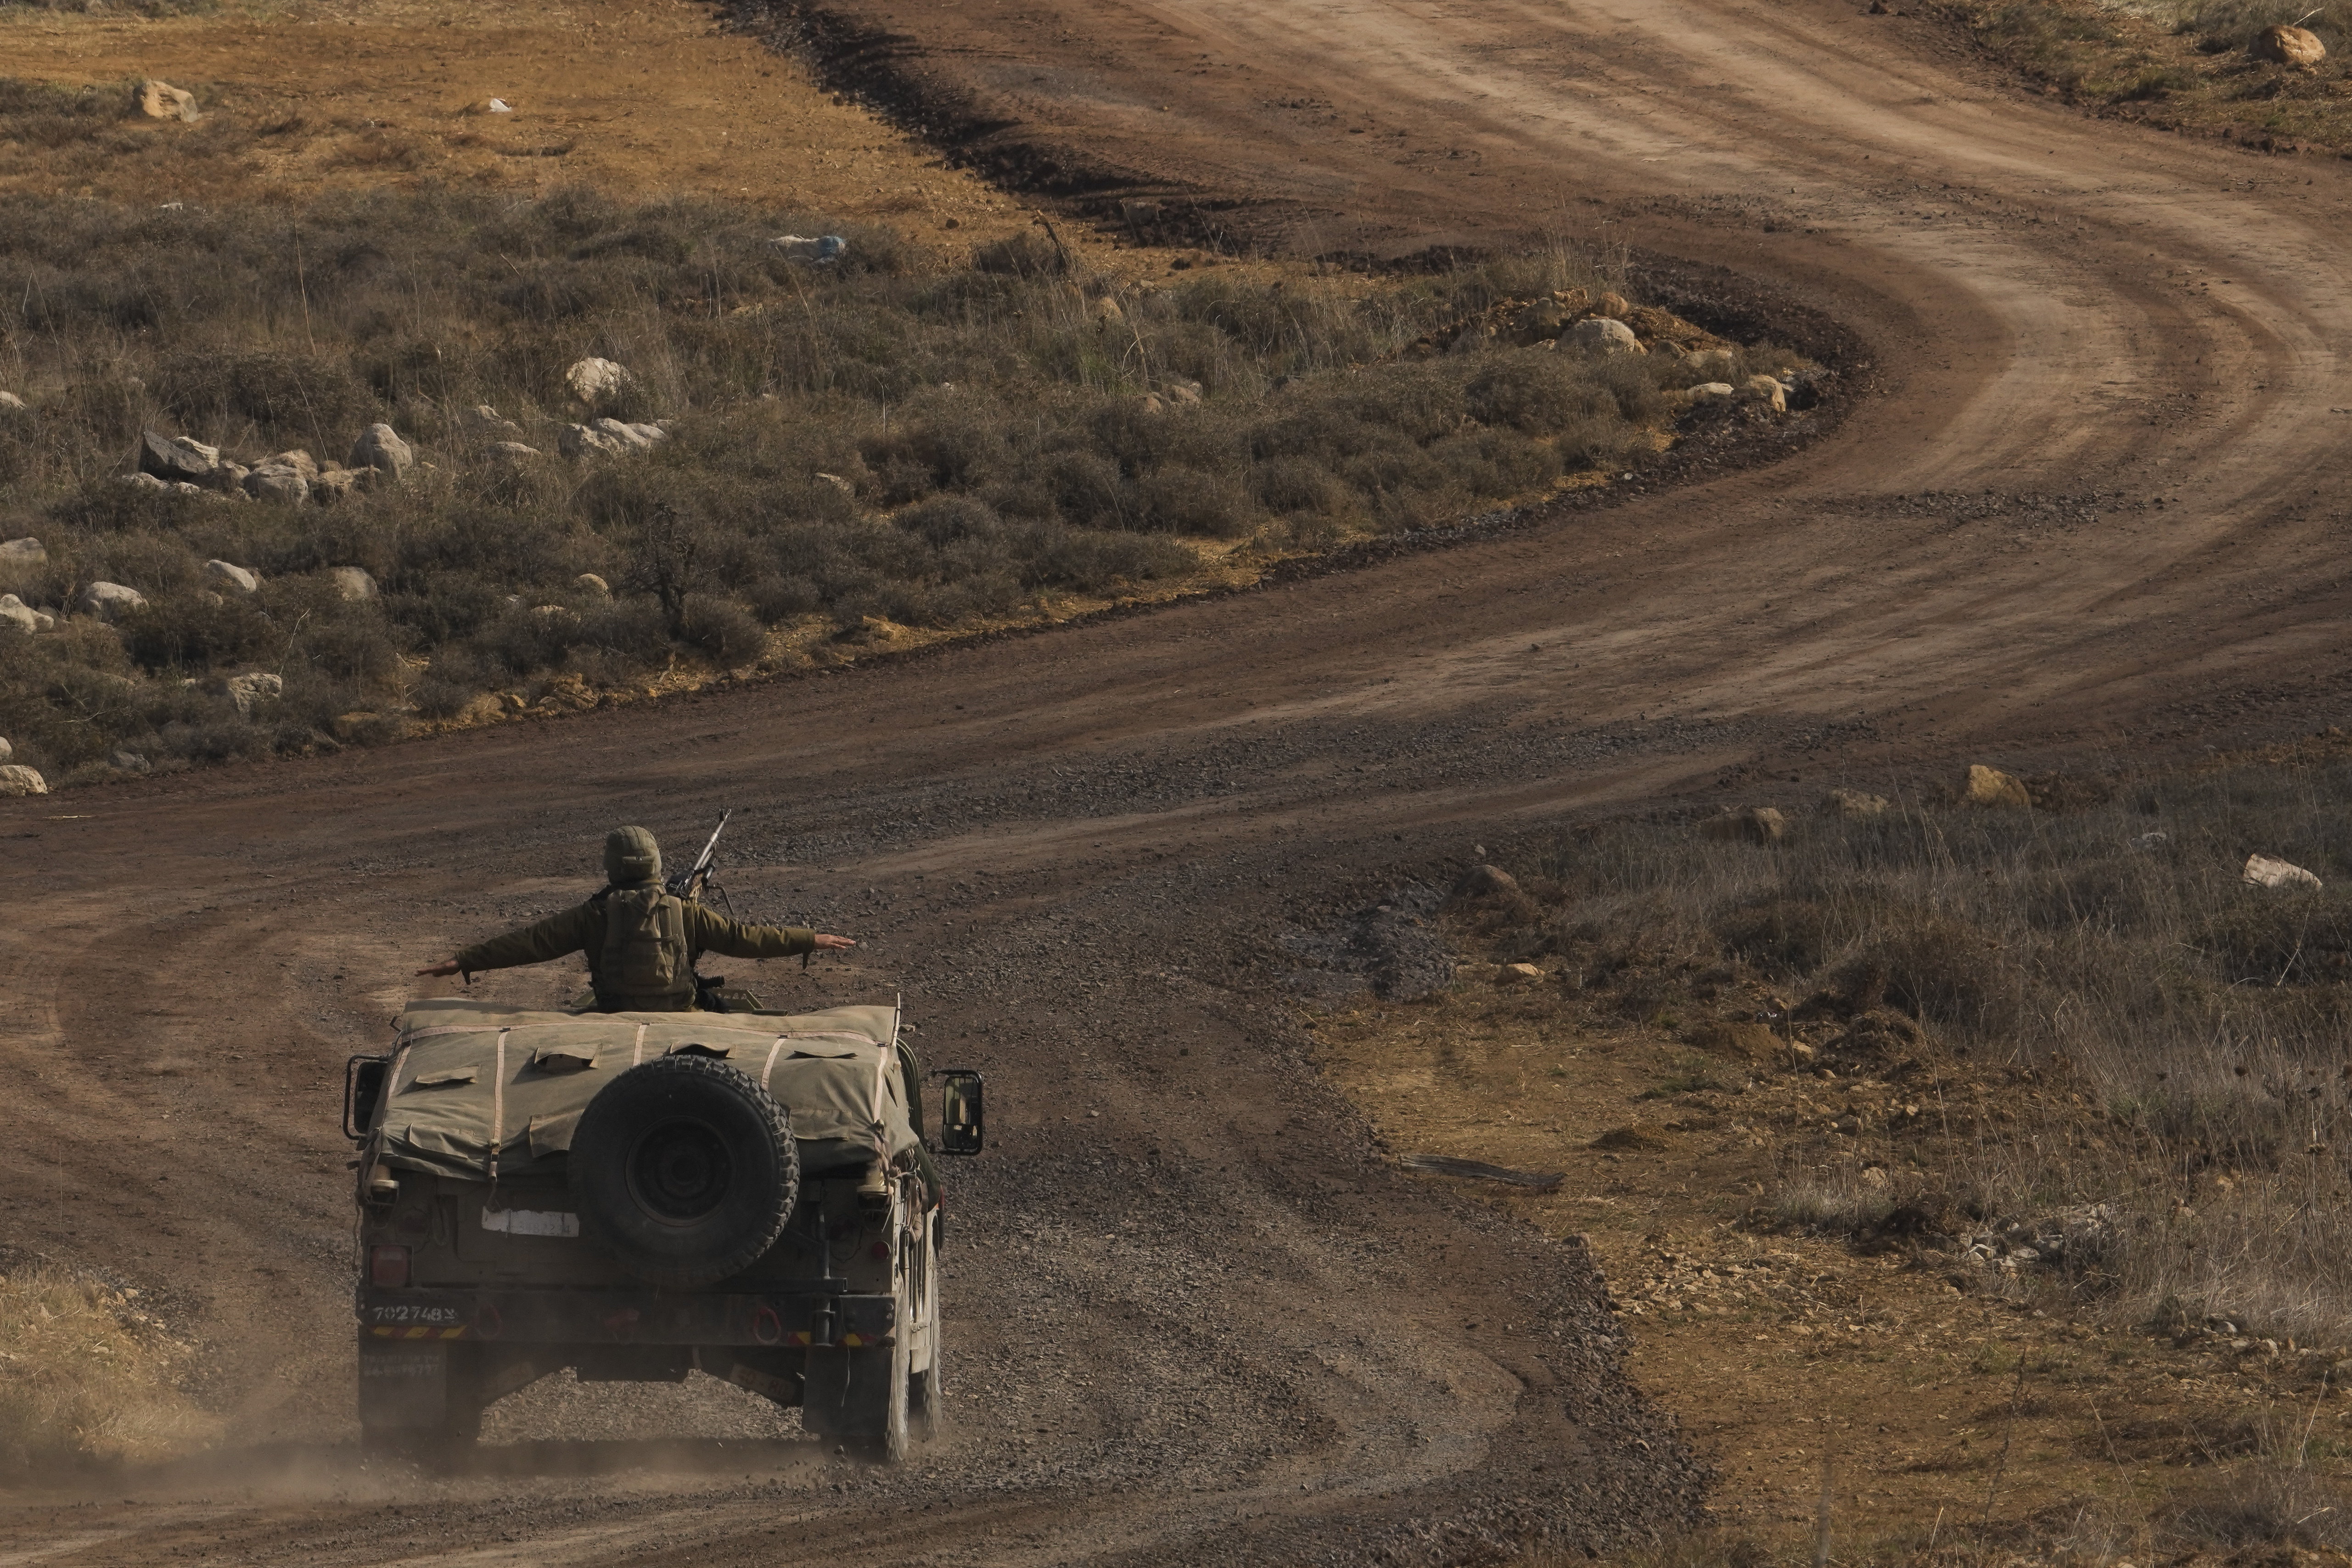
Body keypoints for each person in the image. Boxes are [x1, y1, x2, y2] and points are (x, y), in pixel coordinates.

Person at [416, 826, 855, 1012]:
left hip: (612, 1013)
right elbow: (745, 939)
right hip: (682, 1012)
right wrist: (809, 938)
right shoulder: (685, 910)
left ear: (613, 866)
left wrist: (465, 960)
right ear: (655, 864)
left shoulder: (593, 915)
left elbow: (531, 942)